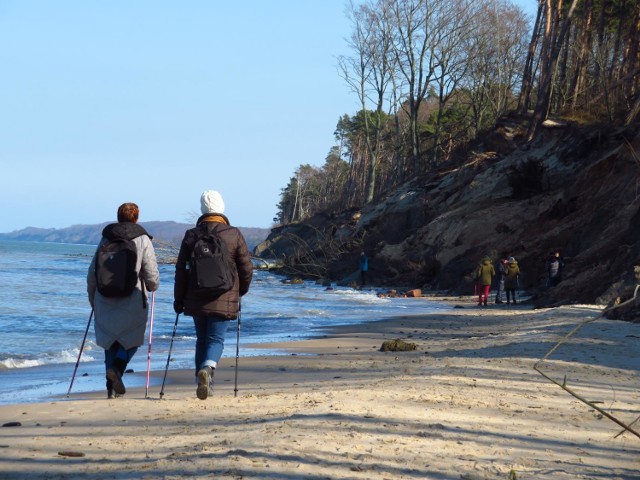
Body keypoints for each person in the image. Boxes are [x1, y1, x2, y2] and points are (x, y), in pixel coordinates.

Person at [173, 190, 253, 400]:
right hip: (224, 295)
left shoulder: (192, 235)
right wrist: (240, 291)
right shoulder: (233, 234)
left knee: (201, 340)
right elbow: (246, 268)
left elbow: (181, 270)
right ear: (222, 208)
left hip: (196, 295)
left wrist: (178, 299)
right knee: (216, 339)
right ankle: (207, 370)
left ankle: (202, 379)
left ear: (202, 209)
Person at [87, 202, 160, 399]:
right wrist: (153, 286)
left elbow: (92, 271)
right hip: (133, 297)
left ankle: (111, 388)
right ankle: (118, 369)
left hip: (104, 296)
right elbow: (151, 271)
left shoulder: (106, 237)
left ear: (118, 217)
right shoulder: (143, 238)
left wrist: (92, 298)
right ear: (136, 218)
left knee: (110, 340)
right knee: (132, 341)